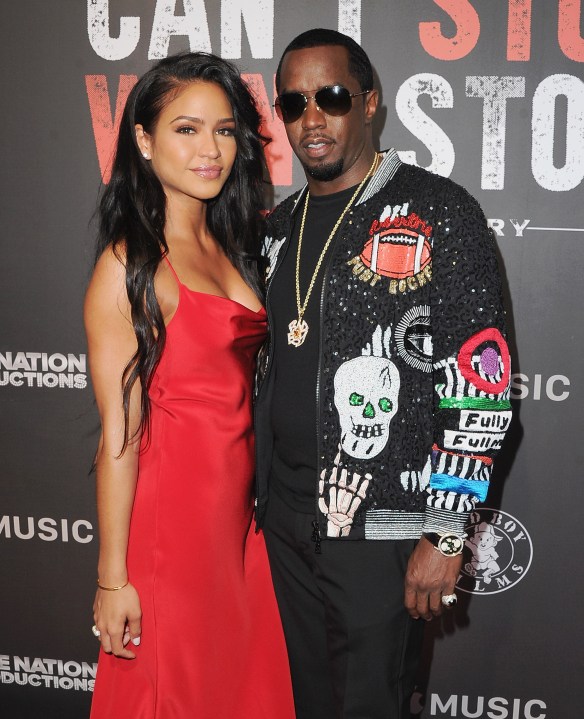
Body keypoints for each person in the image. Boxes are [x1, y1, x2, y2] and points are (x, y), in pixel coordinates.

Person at [256, 29, 512, 718]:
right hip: (284, 522)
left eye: (332, 96)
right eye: (294, 102)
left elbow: (483, 388)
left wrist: (448, 532)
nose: (313, 117)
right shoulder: (275, 229)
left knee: (371, 702)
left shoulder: (441, 211)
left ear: (370, 102)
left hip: (389, 532)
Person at [85, 52, 294, 718]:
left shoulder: (234, 241)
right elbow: (119, 438)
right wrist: (113, 578)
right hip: (172, 530)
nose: (211, 150)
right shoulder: (128, 265)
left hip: (238, 524)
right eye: (187, 129)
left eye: (226, 130)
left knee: (240, 690)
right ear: (143, 141)